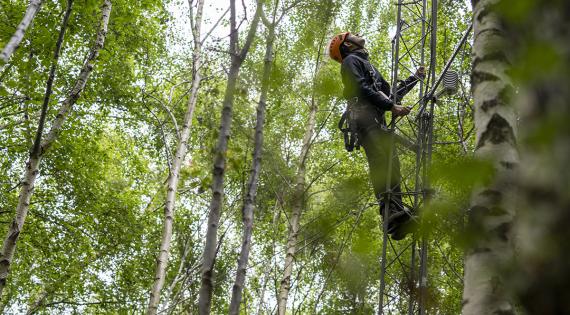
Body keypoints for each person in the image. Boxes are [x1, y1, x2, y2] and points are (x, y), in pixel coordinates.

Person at [329, 32, 425, 240]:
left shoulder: (366, 65)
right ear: (348, 45)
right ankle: (390, 213)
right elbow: (361, 89)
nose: (359, 35)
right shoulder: (350, 61)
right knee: (381, 162)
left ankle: (397, 216)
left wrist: (413, 79)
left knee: (392, 165)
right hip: (364, 118)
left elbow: (389, 96)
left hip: (376, 120)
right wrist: (391, 107)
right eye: (353, 35)